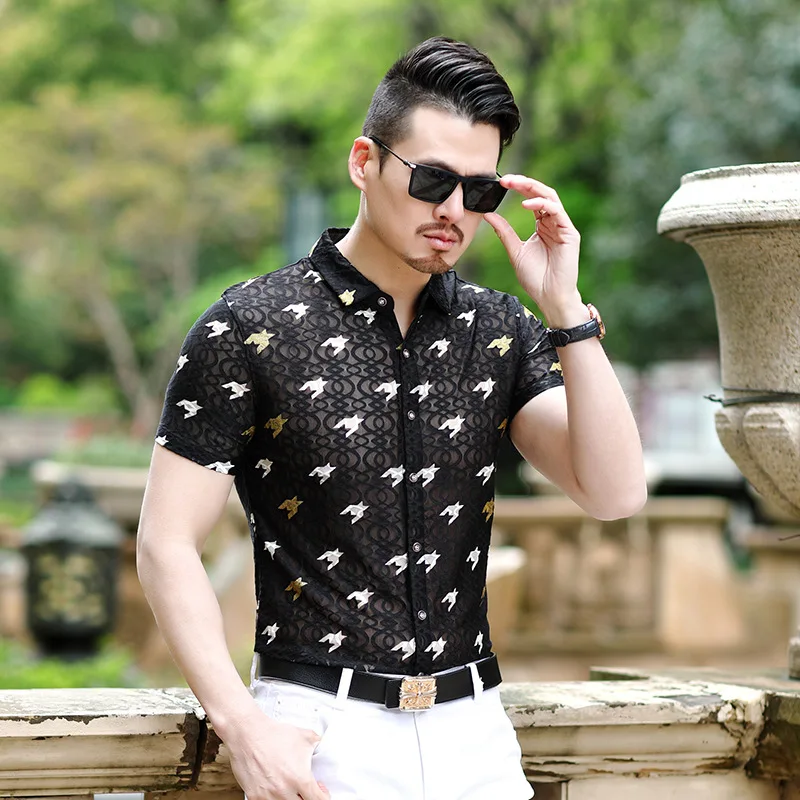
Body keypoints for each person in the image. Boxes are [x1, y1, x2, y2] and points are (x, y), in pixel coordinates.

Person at [137, 36, 647, 800]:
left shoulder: (499, 330)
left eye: (480, 192)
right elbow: (165, 542)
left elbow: (615, 493)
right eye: (432, 179)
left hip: (476, 734)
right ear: (364, 162)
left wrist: (566, 312)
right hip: (319, 730)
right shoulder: (246, 327)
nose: (453, 211)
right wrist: (241, 725)